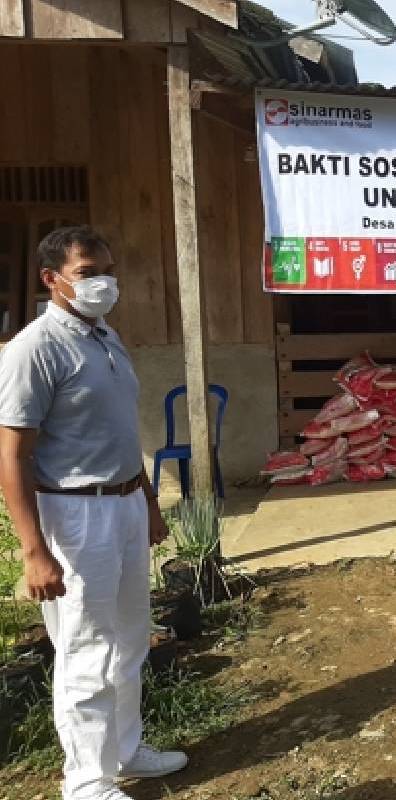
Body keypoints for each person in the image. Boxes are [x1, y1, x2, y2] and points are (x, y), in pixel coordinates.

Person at [0, 227, 188, 800]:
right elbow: (11, 455)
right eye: (87, 273)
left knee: (131, 636)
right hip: (75, 515)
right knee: (85, 645)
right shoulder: (36, 348)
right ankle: (87, 781)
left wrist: (149, 502)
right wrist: (33, 551)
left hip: (126, 503)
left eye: (107, 269)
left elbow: (120, 430)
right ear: (51, 279)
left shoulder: (105, 334)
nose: (103, 282)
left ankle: (126, 748)